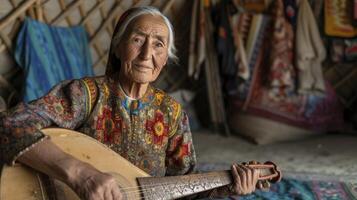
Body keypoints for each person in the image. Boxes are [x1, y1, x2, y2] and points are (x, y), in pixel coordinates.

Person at [0, 6, 261, 200]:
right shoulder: (85, 94)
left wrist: (228, 187)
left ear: (165, 58)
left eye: (158, 45)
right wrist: (79, 173)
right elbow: (9, 125)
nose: (147, 54)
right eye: (138, 40)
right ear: (117, 47)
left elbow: (182, 188)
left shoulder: (171, 113)